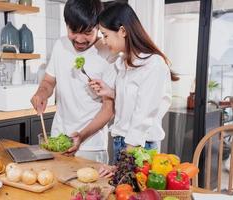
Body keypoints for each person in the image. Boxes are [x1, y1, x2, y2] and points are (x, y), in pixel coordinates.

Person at [88, 1, 178, 176]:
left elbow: (143, 116)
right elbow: (133, 101)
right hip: (121, 143)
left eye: (105, 35)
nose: (104, 42)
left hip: (140, 146)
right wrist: (110, 92)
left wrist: (124, 161)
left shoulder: (153, 65)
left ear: (122, 31)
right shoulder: (123, 62)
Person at [31, 0, 116, 164]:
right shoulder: (60, 45)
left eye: (87, 33)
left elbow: (109, 108)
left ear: (98, 26)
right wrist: (41, 93)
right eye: (73, 31)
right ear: (67, 24)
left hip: (91, 146)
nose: (79, 39)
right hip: (58, 140)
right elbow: (49, 81)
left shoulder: (109, 52)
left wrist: (81, 136)